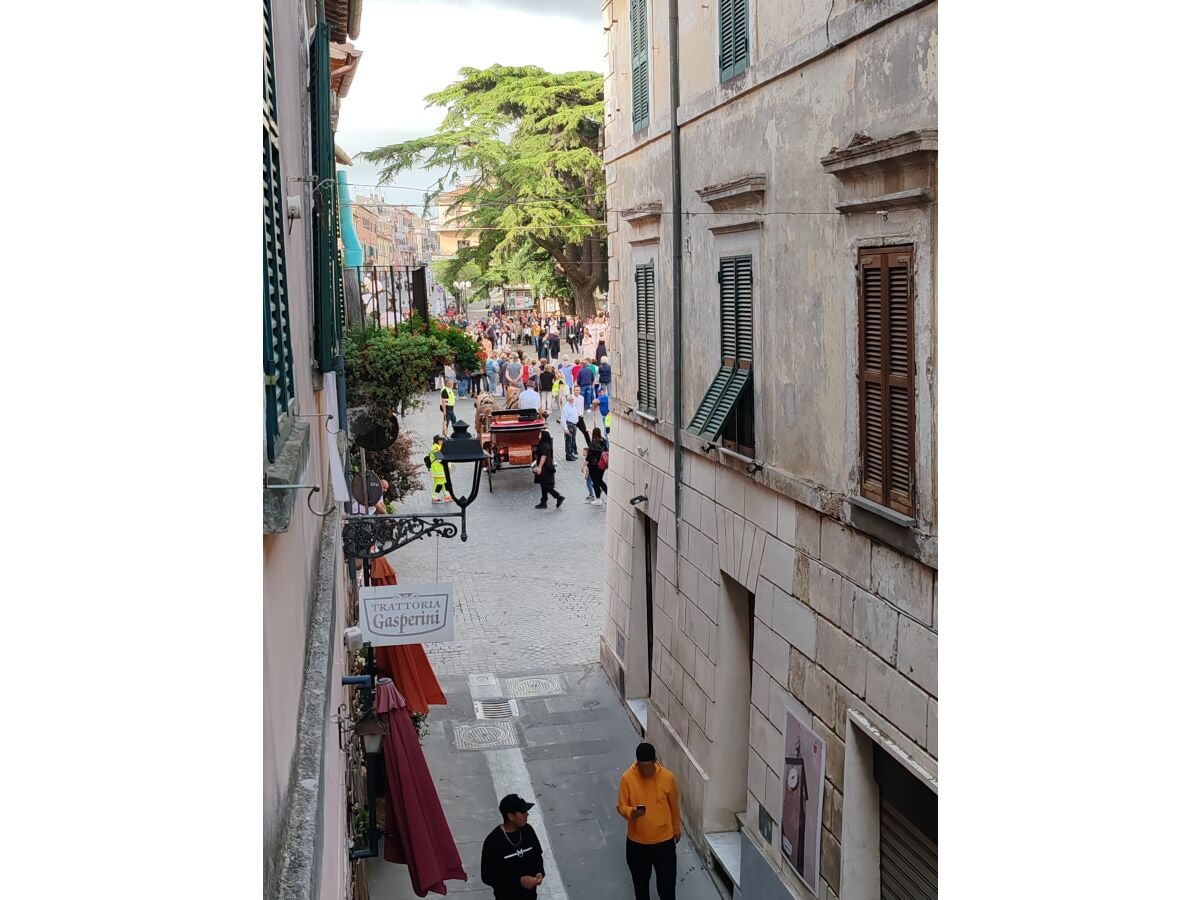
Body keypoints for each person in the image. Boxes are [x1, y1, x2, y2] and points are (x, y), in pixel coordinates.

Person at [616, 743, 681, 900]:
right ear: (637, 764)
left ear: (655, 762)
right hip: (637, 843)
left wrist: (677, 829)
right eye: (642, 767)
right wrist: (632, 812)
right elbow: (621, 806)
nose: (646, 771)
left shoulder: (668, 778)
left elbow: (674, 806)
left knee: (667, 887)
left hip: (663, 842)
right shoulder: (627, 778)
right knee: (641, 887)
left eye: (648, 767)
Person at [481, 794, 546, 900]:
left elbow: (537, 855)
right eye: (523, 812)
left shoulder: (528, 831)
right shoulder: (493, 842)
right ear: (511, 816)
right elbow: (488, 877)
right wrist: (518, 881)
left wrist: (539, 872)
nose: (527, 814)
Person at [532, 431, 565, 509]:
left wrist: (539, 467)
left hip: (545, 467)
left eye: (540, 434)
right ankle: (544, 501)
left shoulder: (544, 445)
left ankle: (558, 496)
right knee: (543, 485)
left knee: (545, 485)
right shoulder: (546, 444)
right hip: (547, 467)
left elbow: (543, 456)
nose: (538, 436)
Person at [584, 426, 608, 506]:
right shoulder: (603, 441)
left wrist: (584, 465)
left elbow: (589, 456)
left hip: (594, 466)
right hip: (602, 465)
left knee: (596, 482)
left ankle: (598, 499)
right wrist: (590, 431)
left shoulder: (593, 443)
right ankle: (608, 495)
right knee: (600, 480)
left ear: (594, 434)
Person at [560, 384, 585, 461]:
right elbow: (563, 419)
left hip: (574, 424)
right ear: (568, 400)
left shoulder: (573, 405)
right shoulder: (566, 408)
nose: (572, 401)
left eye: (572, 400)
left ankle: (571, 453)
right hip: (569, 425)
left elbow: (577, 411)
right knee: (568, 441)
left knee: (572, 440)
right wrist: (565, 428)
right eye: (570, 400)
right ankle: (568, 455)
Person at [427, 435, 453, 503]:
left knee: (444, 483)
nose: (442, 442)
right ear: (437, 441)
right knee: (438, 484)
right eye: (440, 440)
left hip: (441, 470)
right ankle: (434, 497)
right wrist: (449, 465)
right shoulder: (435, 449)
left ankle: (447, 496)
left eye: (442, 440)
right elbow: (441, 460)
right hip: (438, 470)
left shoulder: (439, 448)